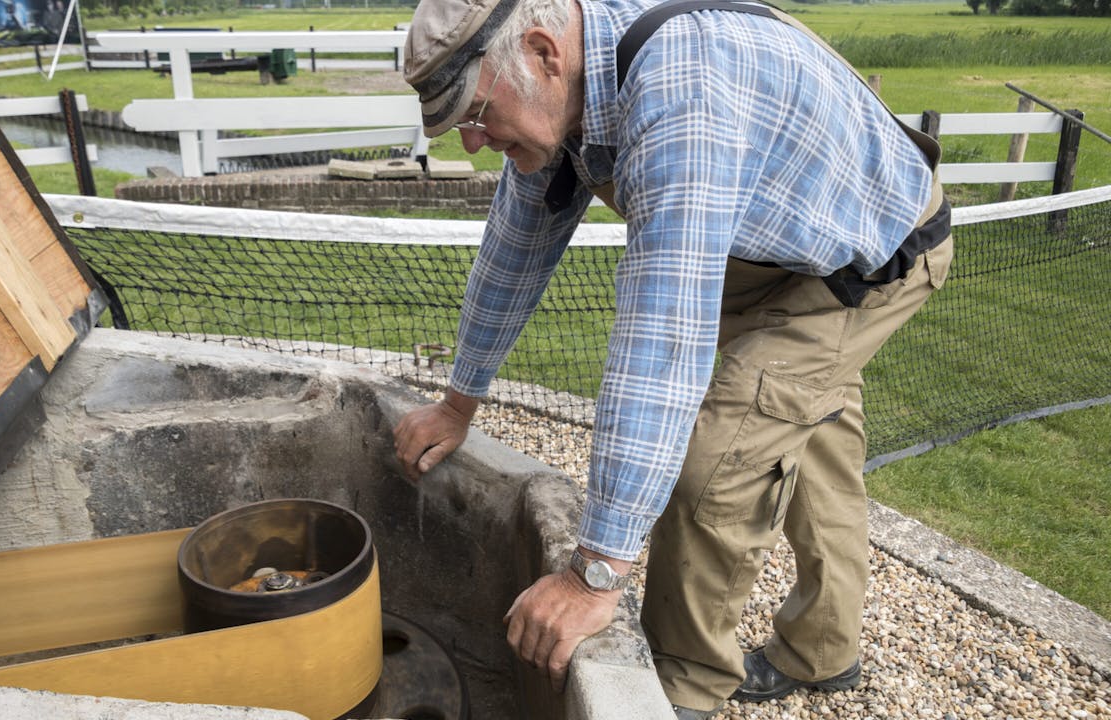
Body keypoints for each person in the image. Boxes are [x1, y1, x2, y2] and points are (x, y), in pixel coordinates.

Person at [391, 0, 952, 716]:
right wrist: (458, 400)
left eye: (475, 112)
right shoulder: (560, 88)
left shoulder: (680, 94)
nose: (471, 143)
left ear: (542, 53)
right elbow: (514, 250)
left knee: (711, 467)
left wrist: (593, 576)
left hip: (869, 263)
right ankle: (825, 651)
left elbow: (662, 342)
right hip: (773, 245)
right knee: (809, 443)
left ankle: (682, 688)